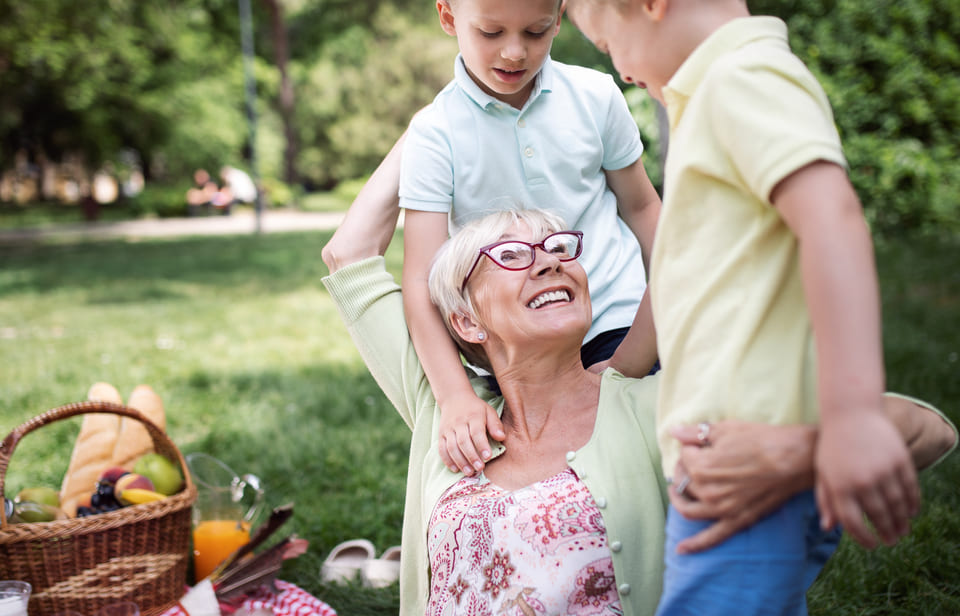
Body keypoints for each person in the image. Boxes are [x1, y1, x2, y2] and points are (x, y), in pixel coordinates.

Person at [321, 208, 957, 616]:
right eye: (511, 255)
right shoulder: (448, 411)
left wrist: (808, 449)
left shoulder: (654, 411)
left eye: (559, 248)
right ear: (463, 320)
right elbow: (349, 251)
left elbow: (927, 429)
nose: (548, 258)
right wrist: (450, 111)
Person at [564, 1, 929, 613]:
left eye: (608, 43)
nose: (620, 69)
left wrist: (852, 415)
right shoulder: (715, 93)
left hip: (746, 471)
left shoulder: (742, 78)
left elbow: (832, 221)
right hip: (730, 466)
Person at [322, 0, 662, 480]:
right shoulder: (435, 133)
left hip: (618, 320)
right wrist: (455, 395)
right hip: (515, 346)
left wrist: (634, 355)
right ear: (447, 17)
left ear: (559, 18)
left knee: (638, 472)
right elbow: (420, 279)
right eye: (490, 32)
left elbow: (644, 207)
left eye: (536, 32)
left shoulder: (595, 95)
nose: (514, 52)